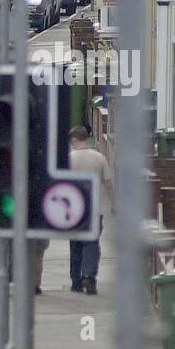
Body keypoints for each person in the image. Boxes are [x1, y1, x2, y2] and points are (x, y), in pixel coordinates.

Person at [69, 125, 112, 294]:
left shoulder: (69, 159)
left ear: (74, 140)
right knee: (92, 243)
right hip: (95, 208)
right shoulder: (99, 158)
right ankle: (89, 276)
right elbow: (107, 182)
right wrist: (114, 203)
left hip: (74, 210)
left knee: (75, 245)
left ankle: (75, 281)